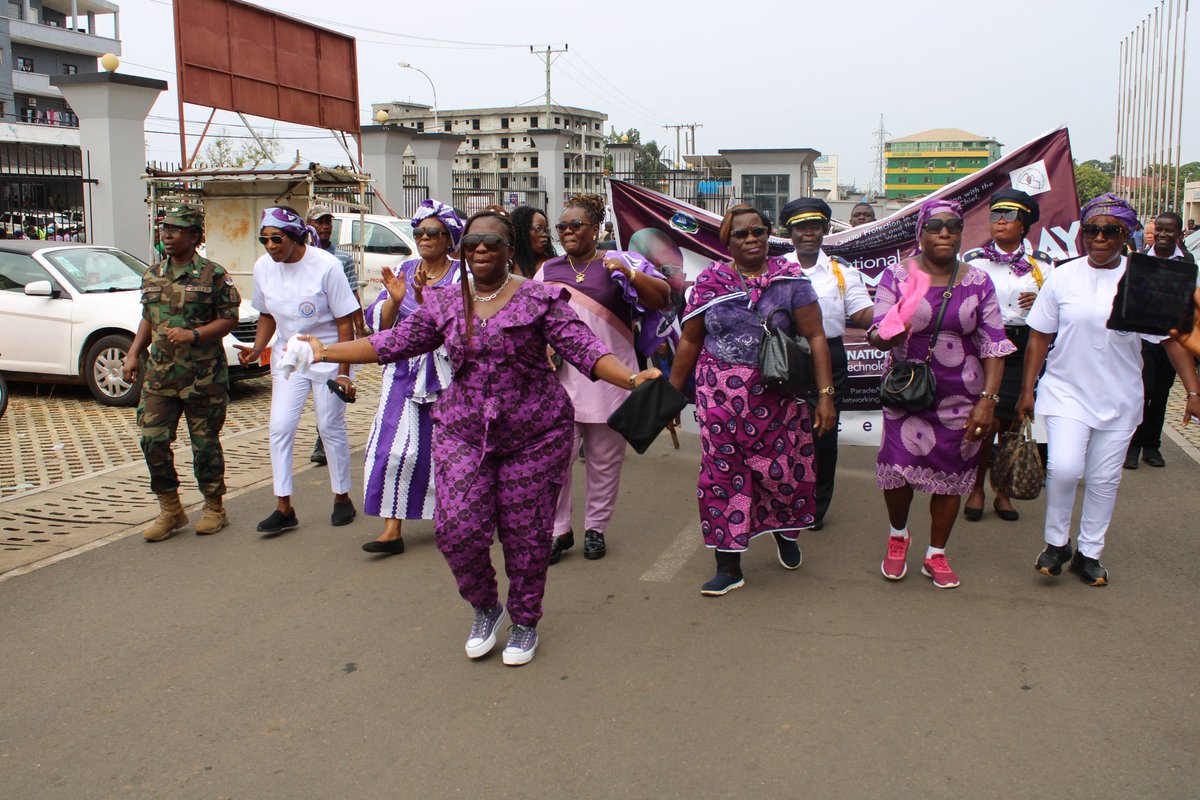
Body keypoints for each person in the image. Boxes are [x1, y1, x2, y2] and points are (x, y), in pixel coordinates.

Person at [301, 211, 661, 666]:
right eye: (473, 242)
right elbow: (389, 343)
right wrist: (324, 350)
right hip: (464, 431)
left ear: (511, 250)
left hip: (535, 433)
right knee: (456, 530)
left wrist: (630, 380)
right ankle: (486, 606)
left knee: (525, 535)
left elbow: (584, 349)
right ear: (463, 250)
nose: (482, 250)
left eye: (492, 242)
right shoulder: (444, 303)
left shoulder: (542, 298)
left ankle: (526, 620)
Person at [1017, 194, 1200, 586]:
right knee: (1064, 468)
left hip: (1120, 395)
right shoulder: (1063, 275)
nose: (1099, 238)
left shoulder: (1144, 278)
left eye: (1110, 231)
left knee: (1103, 479)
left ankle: (1089, 553)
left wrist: (1194, 392)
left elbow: (1171, 339)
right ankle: (1056, 543)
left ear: (1127, 234)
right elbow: (1039, 336)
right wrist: (1027, 389)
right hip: (1066, 390)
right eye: (1091, 231)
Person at [668, 204, 836, 596]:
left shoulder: (789, 279)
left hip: (777, 399)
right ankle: (728, 566)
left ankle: (783, 531)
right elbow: (691, 340)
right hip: (720, 400)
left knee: (782, 474)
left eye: (758, 231)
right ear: (727, 240)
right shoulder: (709, 282)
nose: (750, 239)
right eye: (741, 233)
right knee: (720, 478)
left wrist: (825, 395)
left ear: (768, 234)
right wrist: (671, 398)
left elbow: (815, 336)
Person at [869, 199, 1014, 589]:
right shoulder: (896, 276)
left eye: (953, 225)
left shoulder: (978, 281)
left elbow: (994, 344)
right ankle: (898, 535)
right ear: (921, 232)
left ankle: (936, 554)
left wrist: (987, 401)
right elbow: (878, 331)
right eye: (935, 226)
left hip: (960, 394)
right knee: (897, 471)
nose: (945, 232)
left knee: (951, 472)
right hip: (906, 391)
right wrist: (892, 327)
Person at [536, 192, 671, 564]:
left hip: (614, 377)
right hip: (560, 381)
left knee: (605, 460)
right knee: (555, 460)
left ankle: (596, 529)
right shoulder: (547, 270)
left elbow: (662, 298)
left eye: (575, 225)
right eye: (561, 226)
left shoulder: (621, 261)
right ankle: (557, 530)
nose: (566, 232)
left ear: (596, 229)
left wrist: (630, 274)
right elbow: (529, 319)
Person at [236, 206, 360, 533]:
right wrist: (258, 349)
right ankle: (283, 505)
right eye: (264, 239)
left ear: (296, 237)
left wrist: (344, 371)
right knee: (280, 427)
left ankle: (342, 496)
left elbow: (345, 323)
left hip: (329, 354)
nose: (270, 246)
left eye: (276, 239)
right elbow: (265, 315)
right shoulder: (263, 267)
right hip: (289, 356)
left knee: (329, 425)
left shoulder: (326, 266)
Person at [120, 205, 240, 541]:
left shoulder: (214, 275)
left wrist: (195, 334)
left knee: (204, 444)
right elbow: (148, 317)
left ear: (195, 237)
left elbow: (229, 319)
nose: (168, 235)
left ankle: (214, 506)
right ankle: (170, 508)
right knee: (152, 439)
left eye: (176, 230)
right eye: (164, 229)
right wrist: (133, 353)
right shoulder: (153, 274)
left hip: (203, 378)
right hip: (160, 376)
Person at [360, 200, 463, 555]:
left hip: (450, 376)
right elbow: (379, 326)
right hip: (404, 373)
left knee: (449, 452)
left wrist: (423, 298)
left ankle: (456, 519)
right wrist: (395, 300)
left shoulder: (463, 274)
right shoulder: (403, 270)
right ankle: (391, 528)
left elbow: (463, 323)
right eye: (418, 231)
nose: (424, 237)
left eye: (433, 232)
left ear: (449, 238)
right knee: (392, 448)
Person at [779, 197, 873, 530]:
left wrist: (893, 314)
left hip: (828, 357)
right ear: (789, 232)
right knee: (782, 431)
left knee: (822, 433)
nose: (808, 233)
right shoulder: (775, 269)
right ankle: (784, 498)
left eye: (815, 227)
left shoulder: (842, 271)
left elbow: (863, 313)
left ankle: (815, 508)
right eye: (801, 227)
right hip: (783, 357)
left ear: (824, 230)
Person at [961, 189, 1053, 522]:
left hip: (1023, 344)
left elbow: (1056, 308)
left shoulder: (1041, 265)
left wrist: (1042, 298)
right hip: (983, 345)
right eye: (996, 215)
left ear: (1024, 224)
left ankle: (1003, 490)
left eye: (1009, 216)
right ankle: (976, 488)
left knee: (1014, 419)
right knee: (987, 422)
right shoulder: (974, 260)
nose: (1000, 222)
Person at [1127, 211, 1197, 470]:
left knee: (1160, 395)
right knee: (1141, 393)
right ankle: (1133, 447)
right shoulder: (1141, 259)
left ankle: (1152, 446)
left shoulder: (1187, 262)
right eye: (1160, 230)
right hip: (1142, 339)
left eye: (1170, 231)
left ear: (1180, 234)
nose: (1163, 235)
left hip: (1172, 340)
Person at [306, 204, 364, 468]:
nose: (325, 226)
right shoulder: (300, 257)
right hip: (306, 334)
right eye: (319, 222)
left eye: (328, 221)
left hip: (334, 330)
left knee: (331, 389)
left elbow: (353, 295)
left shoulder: (342, 259)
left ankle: (323, 439)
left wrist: (359, 330)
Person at [511, 205, 556, 278]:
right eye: (538, 229)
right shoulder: (506, 266)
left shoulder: (551, 265)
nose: (545, 235)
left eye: (546, 230)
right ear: (522, 232)